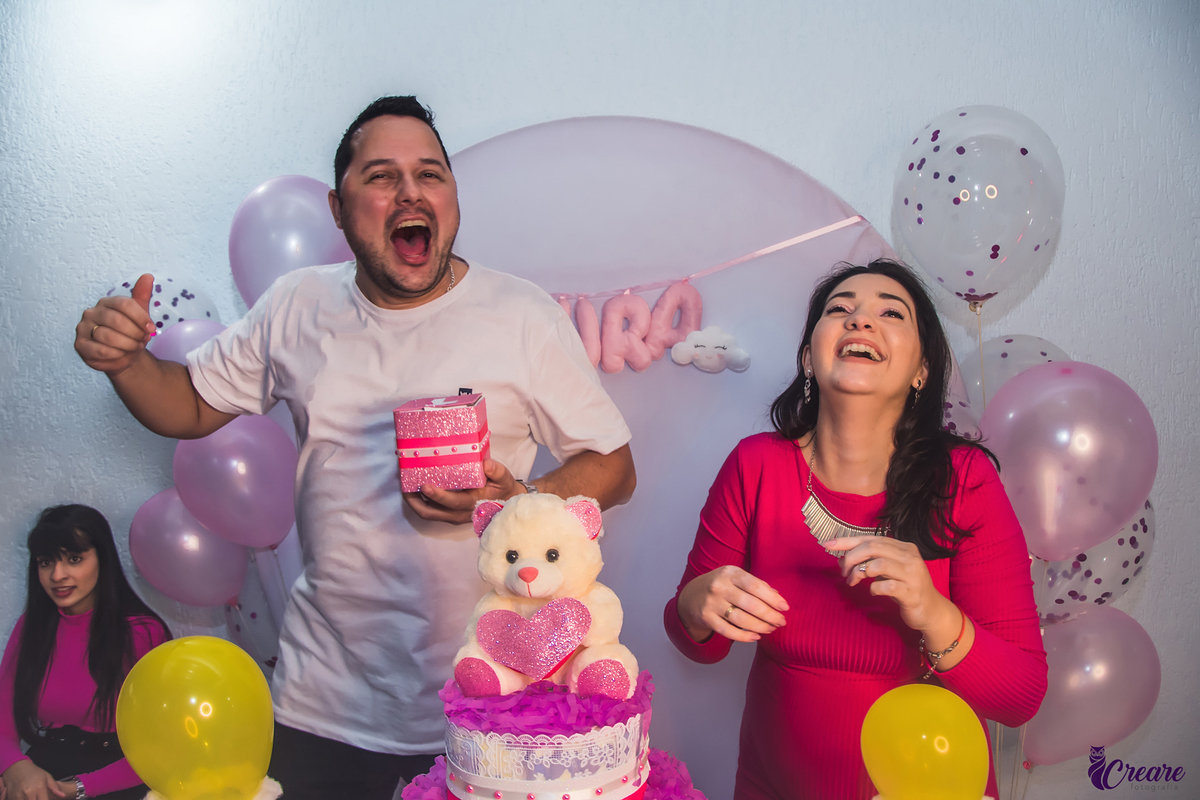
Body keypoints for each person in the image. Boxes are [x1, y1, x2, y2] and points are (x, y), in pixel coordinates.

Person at [72, 96, 635, 799]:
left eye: (431, 174)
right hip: (323, 703)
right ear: (338, 210)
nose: (410, 192)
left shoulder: (522, 315)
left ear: (452, 198)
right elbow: (187, 404)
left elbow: (614, 464)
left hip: (490, 696)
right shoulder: (296, 305)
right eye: (381, 176)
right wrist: (126, 362)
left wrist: (517, 506)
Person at [664, 260, 1047, 800]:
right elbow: (695, 641)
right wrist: (694, 604)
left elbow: (1020, 698)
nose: (860, 321)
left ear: (922, 369)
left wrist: (933, 613)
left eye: (891, 313)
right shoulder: (755, 465)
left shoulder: (966, 480)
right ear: (807, 356)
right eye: (839, 309)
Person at [1, 505, 171, 800]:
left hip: (117, 779)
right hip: (43, 773)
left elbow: (163, 747)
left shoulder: (143, 633)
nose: (57, 574)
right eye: (45, 562)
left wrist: (76, 789)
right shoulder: (31, 627)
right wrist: (15, 767)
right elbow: (3, 719)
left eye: (74, 559)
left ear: (102, 559)